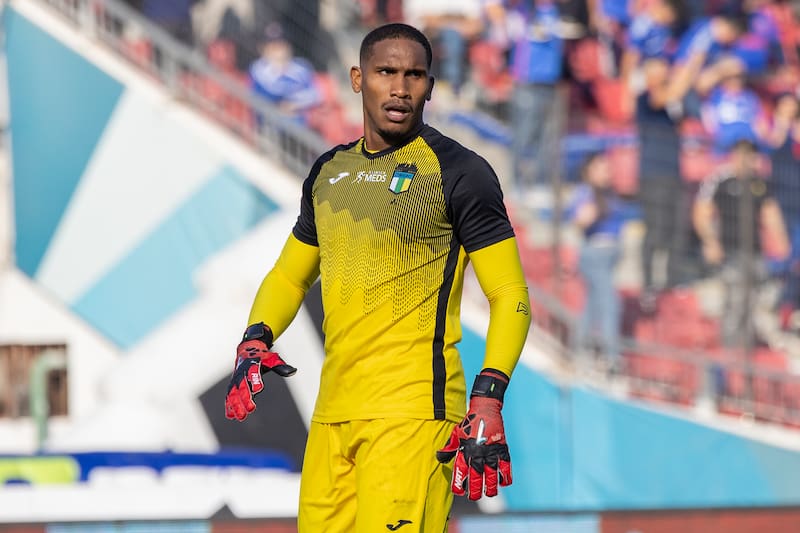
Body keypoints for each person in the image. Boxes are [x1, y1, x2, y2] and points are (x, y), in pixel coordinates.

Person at [224, 23, 531, 532]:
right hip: (333, 415)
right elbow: (288, 277)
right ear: (357, 78)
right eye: (386, 72)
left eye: (414, 75)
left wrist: (489, 394)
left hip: (414, 412)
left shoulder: (459, 171)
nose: (400, 87)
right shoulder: (329, 172)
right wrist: (256, 338)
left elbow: (510, 294)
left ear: (429, 86)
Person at [692, 139, 789, 348]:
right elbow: (701, 213)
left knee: (754, 300)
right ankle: (731, 348)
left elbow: (770, 212)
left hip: (755, 252)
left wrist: (782, 241)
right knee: (736, 300)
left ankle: (746, 347)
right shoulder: (719, 180)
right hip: (729, 252)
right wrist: (711, 242)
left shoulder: (759, 183)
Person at [567, 151, 634, 373]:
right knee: (609, 303)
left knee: (593, 304)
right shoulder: (588, 193)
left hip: (606, 255)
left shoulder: (607, 193)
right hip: (596, 253)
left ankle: (581, 348)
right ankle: (610, 356)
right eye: (601, 167)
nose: (607, 172)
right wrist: (589, 213)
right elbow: (580, 219)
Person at [247, 23, 322, 124]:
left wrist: (293, 104)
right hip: (271, 124)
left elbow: (315, 94)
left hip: (302, 120)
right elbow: (260, 98)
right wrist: (282, 105)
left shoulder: (301, 67)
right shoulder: (257, 70)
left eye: (281, 44)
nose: (279, 50)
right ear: (263, 49)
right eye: (273, 46)